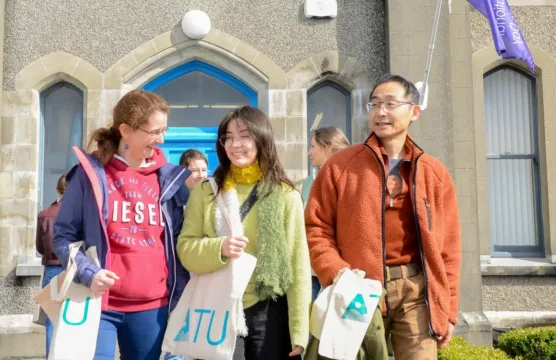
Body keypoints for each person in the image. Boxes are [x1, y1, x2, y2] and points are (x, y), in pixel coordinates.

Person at [305, 75, 461, 360]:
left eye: (390, 104)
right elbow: (317, 226)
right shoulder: (341, 166)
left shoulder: (433, 173)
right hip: (356, 290)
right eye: (374, 104)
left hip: (416, 290)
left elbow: (449, 247)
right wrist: (337, 272)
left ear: (414, 111)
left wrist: (447, 308)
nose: (380, 112)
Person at [53, 89, 191, 360]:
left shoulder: (171, 179)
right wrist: (89, 272)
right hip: (97, 304)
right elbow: (63, 236)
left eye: (164, 130)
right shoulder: (89, 174)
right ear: (126, 130)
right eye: (154, 132)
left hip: (153, 306)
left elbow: (180, 242)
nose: (161, 139)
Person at [177, 106, 311, 360]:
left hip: (269, 310)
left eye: (244, 136)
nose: (235, 144)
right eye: (229, 137)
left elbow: (298, 265)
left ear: (261, 139)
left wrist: (299, 330)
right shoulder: (206, 191)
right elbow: (186, 250)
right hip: (217, 308)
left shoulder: (285, 195)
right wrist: (219, 248)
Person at [301, 126, 350, 301]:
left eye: (313, 146)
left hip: (345, 274)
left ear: (328, 146)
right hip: (312, 273)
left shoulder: (352, 178)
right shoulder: (307, 184)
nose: (309, 152)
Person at [35, 174, 67, 357]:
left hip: (52, 270)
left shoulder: (44, 214)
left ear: (57, 190)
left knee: (51, 320)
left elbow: (40, 247)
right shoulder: (79, 214)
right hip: (74, 271)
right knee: (75, 319)